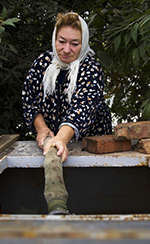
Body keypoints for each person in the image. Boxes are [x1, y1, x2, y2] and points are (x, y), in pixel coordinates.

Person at [22, 11, 112, 162]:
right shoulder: (43, 62)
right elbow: (30, 100)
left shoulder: (91, 67)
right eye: (61, 41)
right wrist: (42, 129)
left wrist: (61, 138)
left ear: (83, 44)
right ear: (54, 39)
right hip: (54, 143)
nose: (66, 49)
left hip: (92, 147)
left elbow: (83, 107)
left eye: (75, 44)